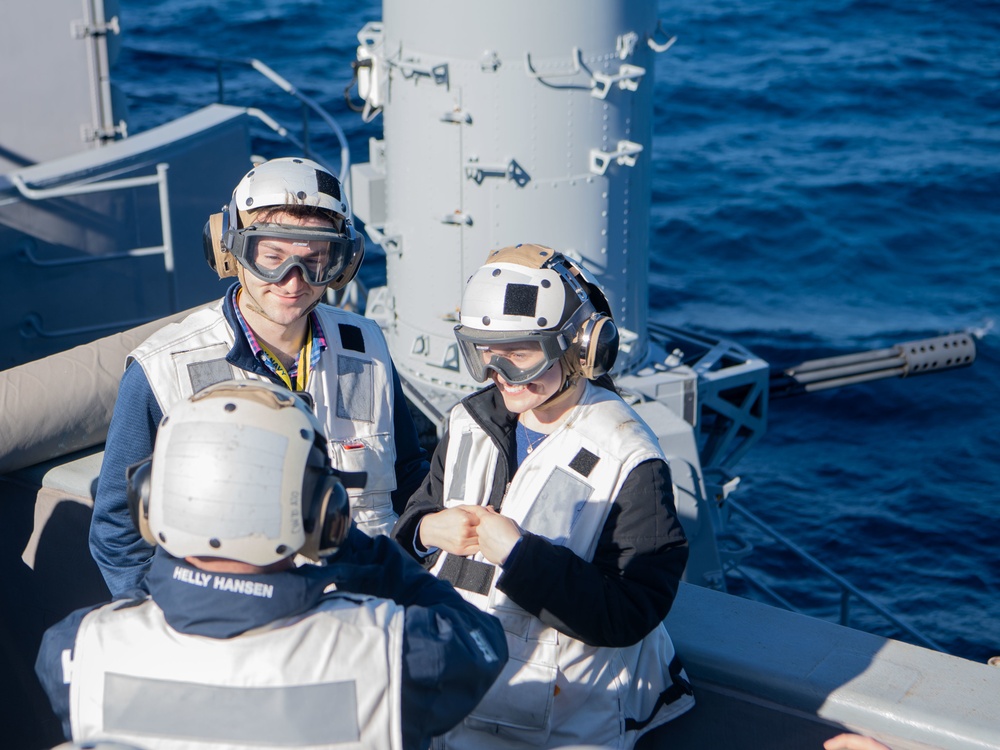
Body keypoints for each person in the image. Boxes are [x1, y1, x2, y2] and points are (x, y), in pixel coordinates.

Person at [37, 380, 507, 750]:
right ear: (323, 513)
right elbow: (482, 643)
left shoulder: (74, 651)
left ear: (152, 501)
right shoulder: (398, 652)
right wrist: (360, 553)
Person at [392, 244, 695, 749]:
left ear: (580, 349)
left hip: (565, 725)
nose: (500, 375)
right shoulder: (470, 421)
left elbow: (630, 609)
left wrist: (519, 554)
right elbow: (422, 509)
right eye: (486, 354)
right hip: (459, 704)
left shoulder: (627, 454)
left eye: (521, 355)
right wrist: (424, 531)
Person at [90, 156, 429, 597]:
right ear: (229, 249)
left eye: (315, 260)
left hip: (363, 621)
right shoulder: (162, 371)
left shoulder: (367, 345)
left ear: (343, 262)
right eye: (271, 258)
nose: (293, 281)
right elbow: (118, 531)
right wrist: (170, 625)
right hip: (240, 637)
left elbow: (406, 471)